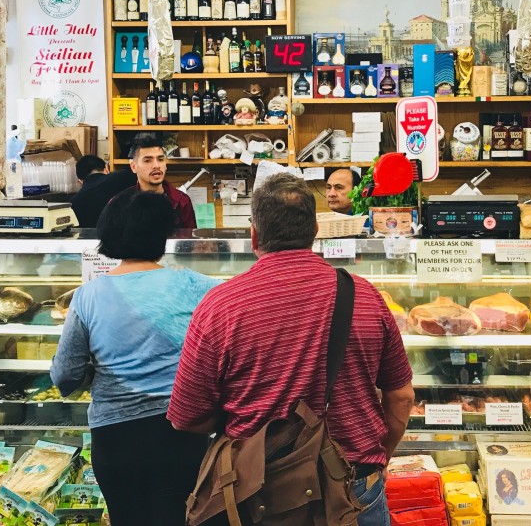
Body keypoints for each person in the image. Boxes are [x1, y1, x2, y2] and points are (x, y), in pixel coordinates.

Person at [168, 173, 414, 526]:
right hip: (354, 485)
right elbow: (402, 397)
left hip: (259, 490)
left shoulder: (220, 305)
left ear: (254, 233)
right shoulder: (365, 296)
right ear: (314, 230)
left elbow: (186, 415)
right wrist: (376, 460)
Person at [50, 189, 219, 525]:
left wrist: (94, 371)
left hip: (115, 441)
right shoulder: (200, 287)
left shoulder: (87, 297)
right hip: (183, 435)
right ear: (164, 235)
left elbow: (64, 375)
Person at [124, 135, 197, 229]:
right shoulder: (121, 203)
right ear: (133, 167)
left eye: (160, 159)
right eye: (147, 160)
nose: (156, 165)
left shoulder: (181, 201)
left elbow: (189, 241)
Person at [70, 155, 136, 228]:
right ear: (106, 169)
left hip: (91, 238)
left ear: (80, 181)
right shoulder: (123, 177)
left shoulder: (74, 202)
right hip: (126, 236)